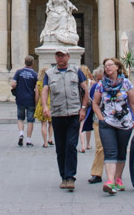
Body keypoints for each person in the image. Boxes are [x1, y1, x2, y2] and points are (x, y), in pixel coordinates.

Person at [92, 57, 134, 195]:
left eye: (110, 65)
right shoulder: (100, 84)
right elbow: (95, 103)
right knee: (110, 151)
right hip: (107, 122)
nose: (107, 67)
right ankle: (110, 181)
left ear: (117, 67)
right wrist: (101, 118)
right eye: (105, 65)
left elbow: (133, 103)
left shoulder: (126, 83)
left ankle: (118, 179)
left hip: (125, 123)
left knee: (121, 151)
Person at [40, 48, 90, 191]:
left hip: (74, 113)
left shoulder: (76, 71)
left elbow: (85, 89)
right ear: (55, 57)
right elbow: (45, 90)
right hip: (57, 113)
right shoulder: (49, 73)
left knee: (71, 145)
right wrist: (45, 106)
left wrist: (83, 108)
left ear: (68, 56)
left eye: (63, 55)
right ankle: (63, 176)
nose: (60, 58)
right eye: (58, 55)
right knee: (60, 147)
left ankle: (70, 177)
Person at [11, 55, 38, 147]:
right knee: (30, 120)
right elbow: (37, 89)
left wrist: (16, 88)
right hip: (30, 99)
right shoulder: (35, 74)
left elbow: (13, 84)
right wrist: (37, 101)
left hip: (20, 99)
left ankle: (21, 133)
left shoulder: (19, 72)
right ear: (33, 63)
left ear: (25, 62)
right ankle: (28, 140)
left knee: (20, 118)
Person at [86, 67, 106, 184]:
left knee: (115, 148)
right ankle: (96, 173)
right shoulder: (95, 87)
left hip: (113, 120)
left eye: (101, 79)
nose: (100, 82)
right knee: (100, 147)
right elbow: (92, 102)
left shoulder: (114, 85)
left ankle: (115, 173)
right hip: (98, 121)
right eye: (98, 79)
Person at [34, 67, 54, 148]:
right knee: (51, 123)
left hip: (42, 103)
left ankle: (45, 142)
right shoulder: (51, 83)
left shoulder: (38, 83)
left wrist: (37, 104)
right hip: (51, 103)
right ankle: (50, 138)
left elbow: (37, 95)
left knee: (43, 124)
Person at [78, 64, 94, 152]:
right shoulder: (91, 82)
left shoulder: (78, 82)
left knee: (81, 125)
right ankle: (88, 144)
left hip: (80, 104)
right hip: (89, 105)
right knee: (88, 124)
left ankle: (83, 145)